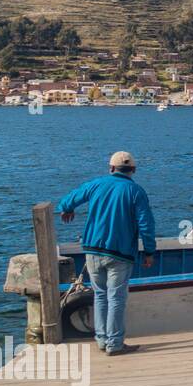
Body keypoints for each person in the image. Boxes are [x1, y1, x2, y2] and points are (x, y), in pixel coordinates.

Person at [58, 151, 156, 356]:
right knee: (116, 298)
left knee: (100, 296)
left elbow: (72, 197)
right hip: (120, 254)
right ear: (134, 170)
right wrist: (149, 251)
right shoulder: (136, 191)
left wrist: (66, 208)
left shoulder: (97, 184)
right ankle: (115, 344)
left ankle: (102, 340)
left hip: (93, 250)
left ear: (111, 168)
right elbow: (146, 224)